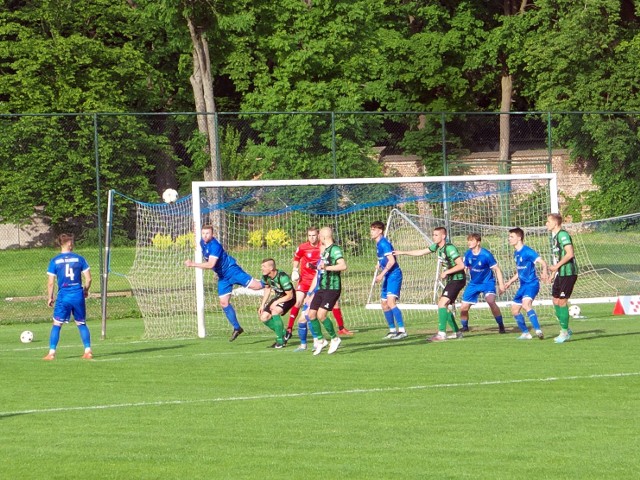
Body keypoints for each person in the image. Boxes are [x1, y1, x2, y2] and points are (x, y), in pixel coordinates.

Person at [185, 224, 262, 341]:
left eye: (208, 233)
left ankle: (274, 281)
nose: (205, 236)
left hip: (232, 271)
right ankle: (237, 328)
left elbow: (211, 264)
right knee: (224, 302)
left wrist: (193, 264)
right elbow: (198, 236)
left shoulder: (215, 246)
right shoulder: (202, 242)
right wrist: (195, 228)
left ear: (212, 234)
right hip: (223, 276)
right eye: (203, 233)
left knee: (257, 286)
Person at [395, 226, 465, 342]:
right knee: (443, 305)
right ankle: (457, 333)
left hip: (458, 279)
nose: (434, 237)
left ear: (443, 236)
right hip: (452, 280)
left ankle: (441, 334)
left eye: (436, 235)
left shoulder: (450, 248)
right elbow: (422, 252)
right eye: (433, 235)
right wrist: (403, 252)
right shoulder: (437, 247)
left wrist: (446, 272)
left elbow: (461, 265)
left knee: (442, 303)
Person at [286, 226, 352, 340]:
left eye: (315, 235)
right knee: (302, 305)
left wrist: (324, 267)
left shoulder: (326, 248)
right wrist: (295, 270)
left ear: (320, 236)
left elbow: (339, 265)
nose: (312, 238)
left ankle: (338, 330)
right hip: (307, 280)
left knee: (322, 311)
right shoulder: (303, 247)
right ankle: (290, 329)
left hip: (323, 282)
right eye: (309, 236)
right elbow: (297, 258)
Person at [43, 234, 93, 360]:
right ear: (69, 244)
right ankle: (88, 350)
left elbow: (50, 282)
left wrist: (50, 297)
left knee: (57, 324)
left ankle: (52, 353)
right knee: (81, 323)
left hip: (63, 296)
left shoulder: (55, 261)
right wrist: (85, 290)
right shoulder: (79, 259)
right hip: (78, 295)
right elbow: (89, 279)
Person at [503, 227, 549, 340]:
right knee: (514, 310)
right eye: (509, 237)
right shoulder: (516, 253)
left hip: (532, 284)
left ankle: (538, 330)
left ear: (519, 238)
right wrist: (509, 282)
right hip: (523, 285)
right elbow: (520, 271)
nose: (509, 239)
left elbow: (543, 263)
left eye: (511, 237)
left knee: (526, 305)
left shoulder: (527, 251)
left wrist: (544, 272)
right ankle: (526, 333)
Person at [307, 227, 347, 355]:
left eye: (319, 235)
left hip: (332, 288)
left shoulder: (334, 249)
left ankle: (335, 338)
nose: (318, 237)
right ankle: (321, 340)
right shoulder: (324, 251)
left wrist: (327, 267)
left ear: (323, 237)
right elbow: (323, 268)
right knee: (311, 314)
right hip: (322, 287)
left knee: (321, 315)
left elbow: (343, 265)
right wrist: (315, 266)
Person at [460, 233, 506, 333]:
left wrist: (501, 285)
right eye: (468, 240)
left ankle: (501, 326)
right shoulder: (468, 254)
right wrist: (459, 282)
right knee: (463, 307)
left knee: (490, 301)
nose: (469, 242)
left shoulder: (486, 255)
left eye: (472, 240)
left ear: (478, 242)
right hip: (474, 284)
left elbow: (497, 269)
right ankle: (465, 327)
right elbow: (465, 269)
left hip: (487, 283)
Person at [370, 221, 406, 339]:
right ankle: (392, 330)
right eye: (371, 229)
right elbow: (384, 258)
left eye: (374, 229)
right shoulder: (378, 244)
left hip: (394, 275)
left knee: (391, 302)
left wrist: (381, 274)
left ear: (380, 231)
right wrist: (379, 264)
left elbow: (392, 261)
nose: (371, 232)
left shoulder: (384, 243)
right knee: (384, 304)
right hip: (388, 275)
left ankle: (402, 330)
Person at [546, 213, 578, 343]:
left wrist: (556, 266)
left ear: (555, 223)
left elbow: (570, 254)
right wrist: (554, 272)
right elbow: (560, 256)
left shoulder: (563, 235)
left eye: (548, 221)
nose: (546, 224)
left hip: (569, 273)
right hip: (561, 273)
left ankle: (564, 332)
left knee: (562, 302)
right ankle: (565, 328)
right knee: (555, 300)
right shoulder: (555, 237)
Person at [258, 258, 296, 349]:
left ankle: (280, 341)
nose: (261, 268)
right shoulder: (265, 276)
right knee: (264, 317)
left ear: (271, 268)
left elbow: (290, 295)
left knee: (275, 311)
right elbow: (267, 289)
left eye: (264, 266)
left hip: (289, 298)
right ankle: (285, 333)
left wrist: (276, 303)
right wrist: (262, 304)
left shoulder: (282, 277)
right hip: (279, 297)